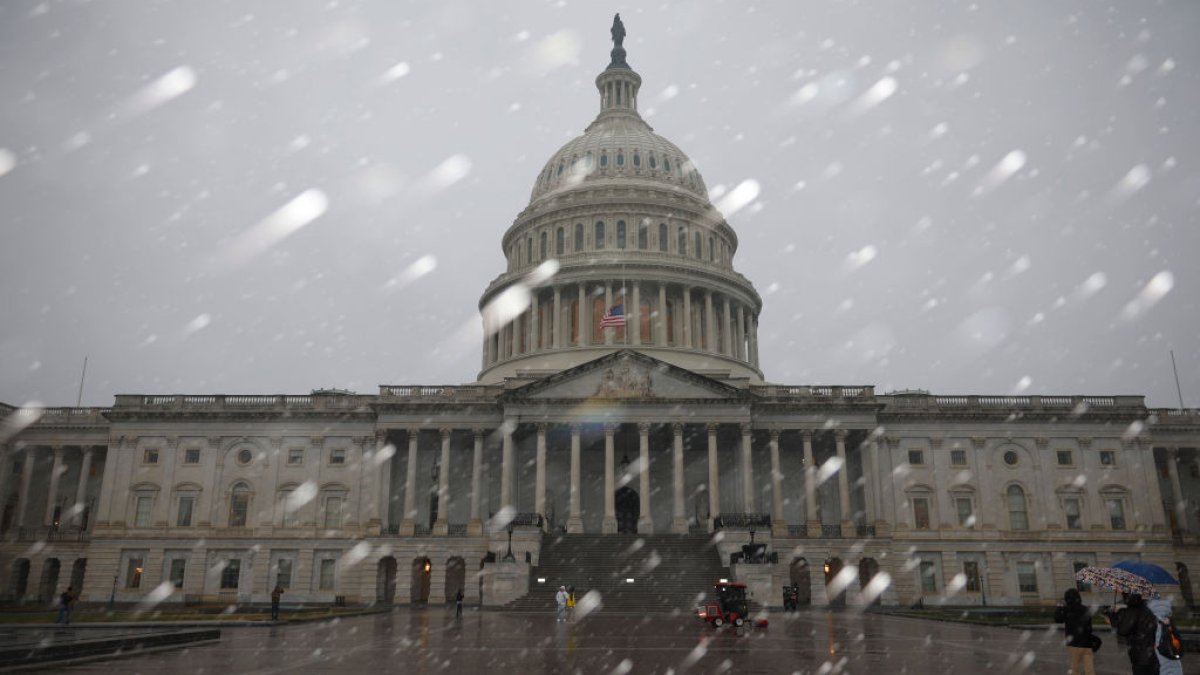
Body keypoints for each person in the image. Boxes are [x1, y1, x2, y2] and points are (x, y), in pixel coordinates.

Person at [1113, 592, 1160, 675]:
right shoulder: (1146, 609)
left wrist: (1115, 619)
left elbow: (1123, 631)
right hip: (1151, 655)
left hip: (1139, 655)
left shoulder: (1132, 611)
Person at [1054, 588, 1097, 675]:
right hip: (1087, 643)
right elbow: (1089, 626)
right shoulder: (1085, 609)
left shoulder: (1067, 610)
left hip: (1073, 644)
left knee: (1075, 669)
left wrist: (1059, 607)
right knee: (1089, 670)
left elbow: (1058, 619)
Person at [1147, 596, 1183, 675]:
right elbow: (1179, 640)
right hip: (1173, 657)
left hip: (1158, 661)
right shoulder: (1169, 623)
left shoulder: (1150, 624)